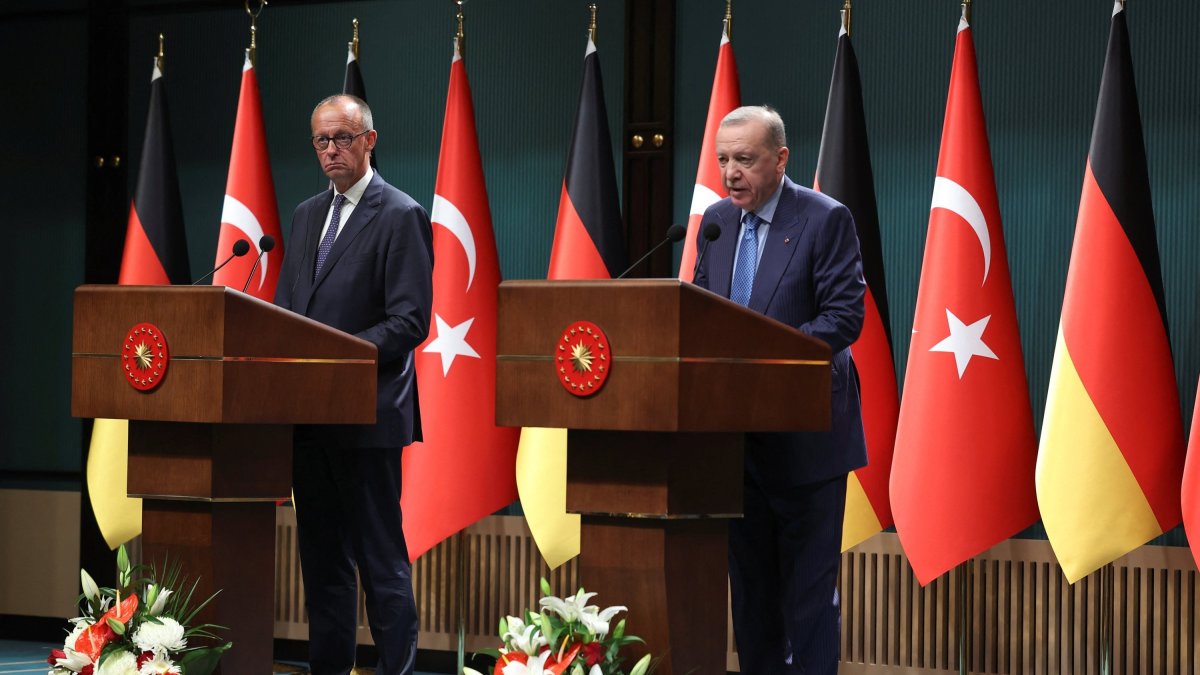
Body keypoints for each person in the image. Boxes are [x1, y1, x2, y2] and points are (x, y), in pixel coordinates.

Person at [692, 105, 867, 674]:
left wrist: (761, 359)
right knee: (753, 598)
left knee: (809, 602)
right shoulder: (715, 222)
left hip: (806, 440)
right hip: (734, 446)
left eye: (745, 159)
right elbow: (698, 315)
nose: (731, 172)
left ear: (780, 157)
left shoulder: (824, 219)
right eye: (723, 160)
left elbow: (844, 318)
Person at [275, 94, 433, 675]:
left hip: (366, 418)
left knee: (380, 561)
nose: (331, 150)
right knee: (321, 565)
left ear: (370, 140)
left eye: (342, 138)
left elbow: (409, 321)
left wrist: (336, 360)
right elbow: (289, 310)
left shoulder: (400, 214)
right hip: (309, 421)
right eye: (321, 140)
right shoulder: (305, 214)